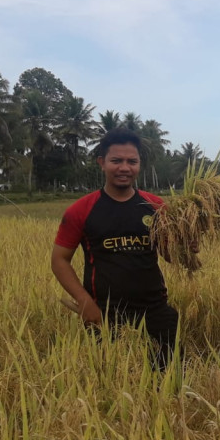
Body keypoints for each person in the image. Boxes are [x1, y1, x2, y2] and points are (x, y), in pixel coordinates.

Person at [51, 127, 181, 369]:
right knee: (110, 387)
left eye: (132, 161)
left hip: (155, 311)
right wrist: (84, 302)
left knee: (169, 384)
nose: (124, 167)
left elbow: (170, 254)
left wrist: (188, 245)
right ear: (102, 162)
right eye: (116, 161)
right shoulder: (81, 210)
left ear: (139, 164)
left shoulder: (156, 206)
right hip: (104, 314)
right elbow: (59, 260)